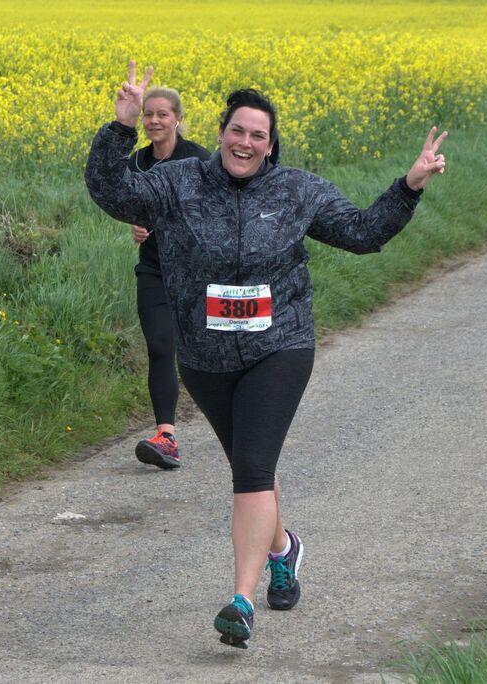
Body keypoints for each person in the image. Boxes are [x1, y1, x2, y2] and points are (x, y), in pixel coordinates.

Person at [86, 62, 447, 649]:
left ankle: (241, 602)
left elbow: (362, 233)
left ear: (271, 145)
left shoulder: (297, 190)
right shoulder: (177, 182)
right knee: (251, 468)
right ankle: (283, 548)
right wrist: (120, 127)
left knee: (252, 471)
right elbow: (110, 191)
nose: (246, 142)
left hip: (279, 346)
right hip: (204, 356)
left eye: (259, 135)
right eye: (237, 130)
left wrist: (409, 186)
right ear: (220, 133)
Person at [129, 88, 211, 470]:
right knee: (160, 346)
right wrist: (134, 222)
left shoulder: (200, 160)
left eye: (162, 114)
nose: (154, 121)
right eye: (148, 114)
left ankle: (243, 415)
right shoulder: (137, 162)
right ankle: (166, 436)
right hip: (155, 269)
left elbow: (217, 209)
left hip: (198, 272)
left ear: (178, 118)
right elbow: (129, 203)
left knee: (207, 353)